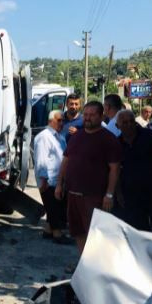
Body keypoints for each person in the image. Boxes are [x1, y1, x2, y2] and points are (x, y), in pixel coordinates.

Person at [55, 100, 122, 254]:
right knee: (78, 232)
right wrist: (59, 184)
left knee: (96, 235)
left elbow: (114, 169)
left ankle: (96, 267)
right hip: (72, 194)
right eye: (85, 114)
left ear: (101, 116)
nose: (87, 118)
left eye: (92, 115)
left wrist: (109, 194)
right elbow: (66, 161)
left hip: (95, 197)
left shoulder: (108, 139)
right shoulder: (77, 136)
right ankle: (83, 263)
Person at [116, 109, 152, 234]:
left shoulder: (150, 136)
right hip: (131, 193)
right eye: (124, 123)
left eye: (131, 122)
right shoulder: (117, 143)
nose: (128, 125)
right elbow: (116, 169)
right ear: (117, 126)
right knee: (138, 227)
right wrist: (118, 193)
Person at [33, 109, 70, 244]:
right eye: (59, 120)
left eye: (63, 120)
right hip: (48, 180)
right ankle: (57, 234)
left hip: (58, 179)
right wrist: (43, 180)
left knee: (55, 206)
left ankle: (48, 231)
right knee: (53, 207)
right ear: (50, 121)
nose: (62, 123)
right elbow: (41, 159)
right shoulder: (44, 137)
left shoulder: (60, 136)